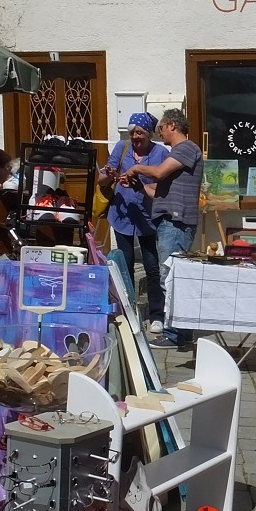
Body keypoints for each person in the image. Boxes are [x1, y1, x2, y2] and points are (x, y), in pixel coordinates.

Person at [121, 108, 203, 351]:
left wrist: (136, 169)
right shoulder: (179, 153)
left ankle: (174, 334)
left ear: (172, 126)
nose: (160, 135)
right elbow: (156, 191)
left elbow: (158, 173)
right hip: (170, 221)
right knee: (175, 278)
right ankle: (182, 332)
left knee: (170, 278)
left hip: (176, 223)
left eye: (161, 130)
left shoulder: (186, 148)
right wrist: (137, 186)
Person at [99, 112, 168, 336]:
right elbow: (102, 179)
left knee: (152, 267)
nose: (135, 137)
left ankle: (157, 315)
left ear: (148, 133)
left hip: (148, 218)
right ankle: (128, 312)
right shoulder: (122, 147)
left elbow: (163, 186)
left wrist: (139, 183)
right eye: (132, 132)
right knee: (124, 266)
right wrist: (110, 175)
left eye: (139, 132)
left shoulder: (160, 153)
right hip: (123, 216)